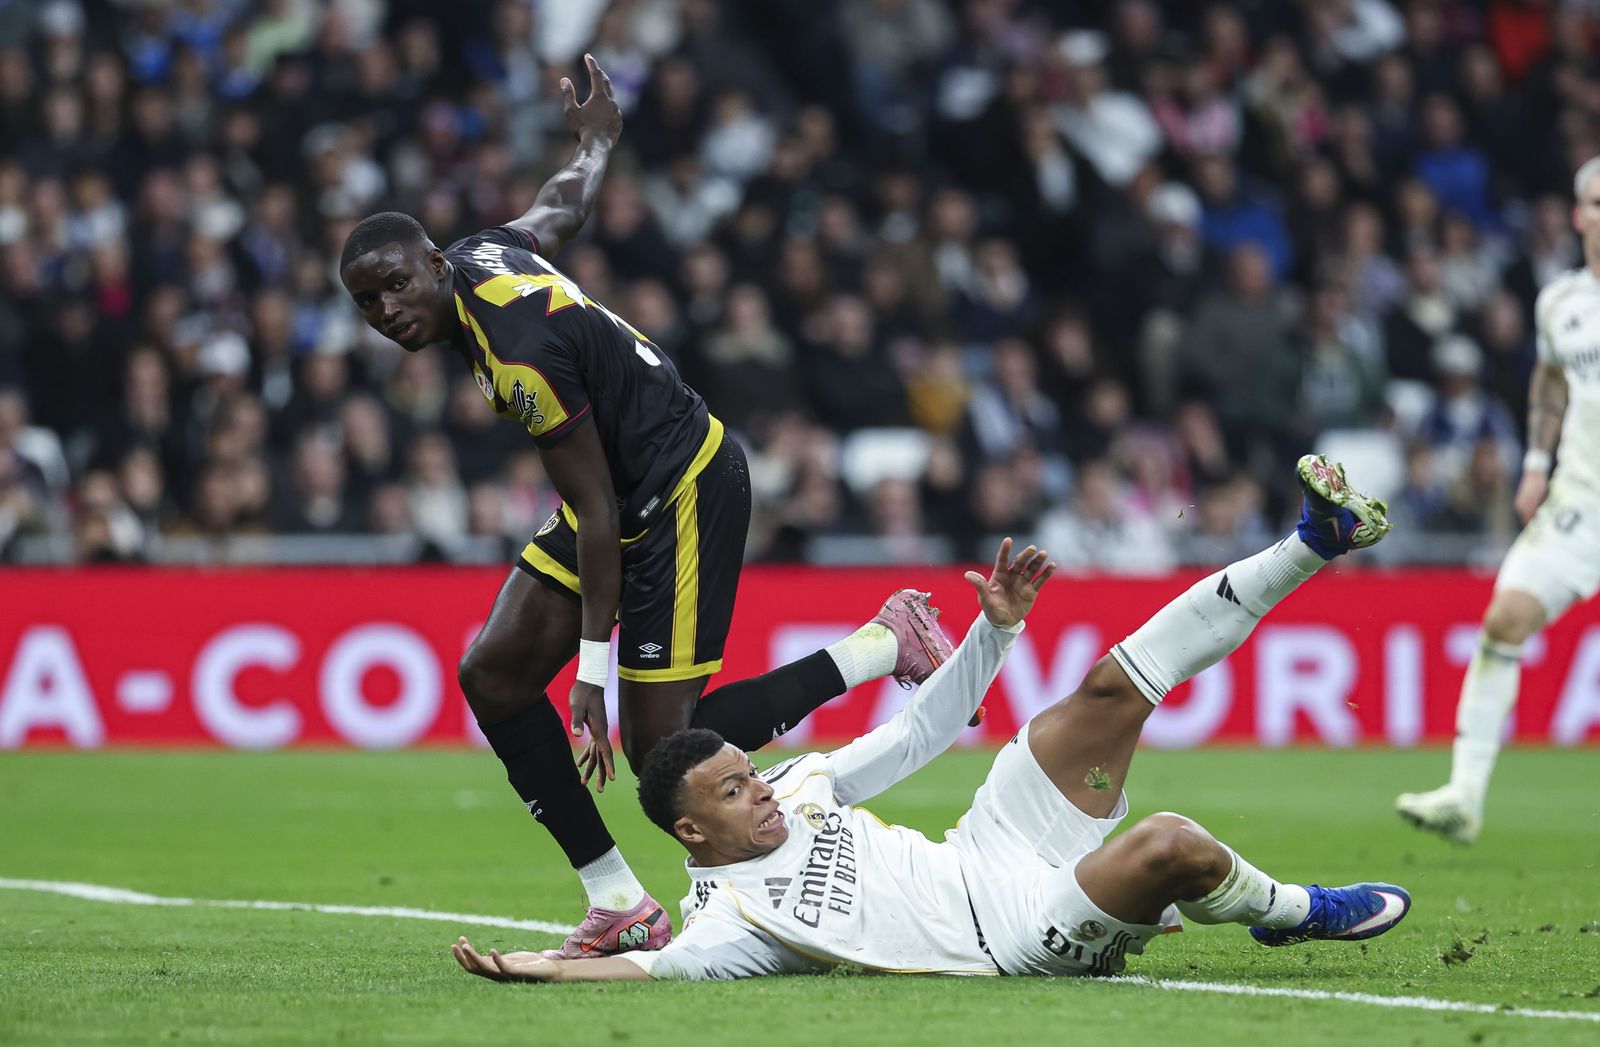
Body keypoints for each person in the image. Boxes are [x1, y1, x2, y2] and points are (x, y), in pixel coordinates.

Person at [338, 56, 960, 958]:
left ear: (433, 264)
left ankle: (883, 643)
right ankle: (619, 903)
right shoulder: (481, 256)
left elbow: (594, 514)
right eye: (368, 302)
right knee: (496, 675)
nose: (388, 310)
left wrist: (592, 671)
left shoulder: (514, 354)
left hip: (682, 485)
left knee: (661, 750)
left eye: (396, 285)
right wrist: (594, 141)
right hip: (624, 485)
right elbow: (558, 206)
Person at [452, 455, 1412, 983]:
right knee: (1169, 844)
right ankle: (1294, 913)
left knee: (1108, 691)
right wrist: (539, 970)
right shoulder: (730, 924)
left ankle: (1312, 541)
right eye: (740, 791)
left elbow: (917, 735)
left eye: (752, 771)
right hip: (1017, 936)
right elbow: (645, 977)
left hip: (983, 847)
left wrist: (991, 637)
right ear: (695, 831)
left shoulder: (803, 786)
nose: (766, 792)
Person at [1397, 154, 1600, 844]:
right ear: (1578, 215)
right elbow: (1549, 384)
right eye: (1596, 203)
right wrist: (1537, 464)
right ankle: (1463, 794)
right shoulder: (1560, 302)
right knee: (1503, 621)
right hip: (1582, 501)